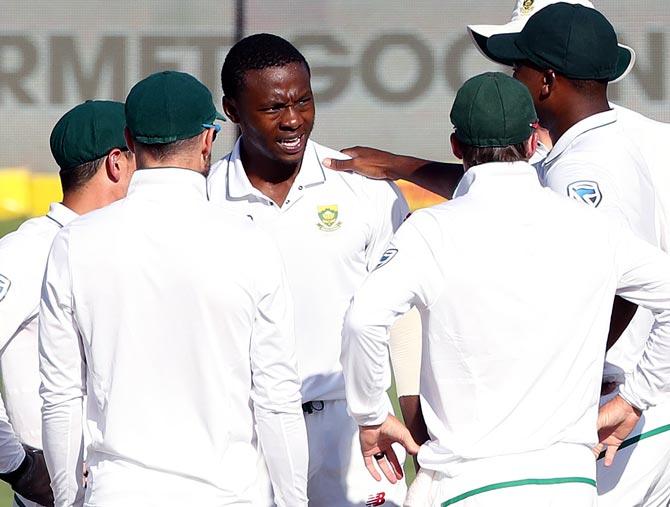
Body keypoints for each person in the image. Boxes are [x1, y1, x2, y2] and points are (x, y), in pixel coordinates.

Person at [326, 4, 670, 504]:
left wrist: (625, 391)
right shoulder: (625, 139)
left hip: (579, 432)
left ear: (547, 81)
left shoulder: (582, 173)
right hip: (574, 460)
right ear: (531, 139)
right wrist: (404, 165)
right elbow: (507, 191)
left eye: (519, 67)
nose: (514, 74)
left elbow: (365, 320)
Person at [38, 70, 308, 507]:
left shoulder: (75, 243)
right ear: (208, 141)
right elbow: (277, 400)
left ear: (129, 140)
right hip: (230, 495)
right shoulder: (250, 240)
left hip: (119, 494)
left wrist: (68, 501)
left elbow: (61, 397)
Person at [207, 34, 409, 506]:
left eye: (304, 101)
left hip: (356, 430)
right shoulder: (208, 198)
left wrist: (410, 414)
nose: (294, 120)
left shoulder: (364, 190)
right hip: (249, 435)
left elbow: (406, 318)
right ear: (233, 110)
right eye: (274, 108)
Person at [0, 100, 134, 507]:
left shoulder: (129, 246)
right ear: (117, 163)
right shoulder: (25, 252)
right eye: (143, 155)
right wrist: (17, 466)